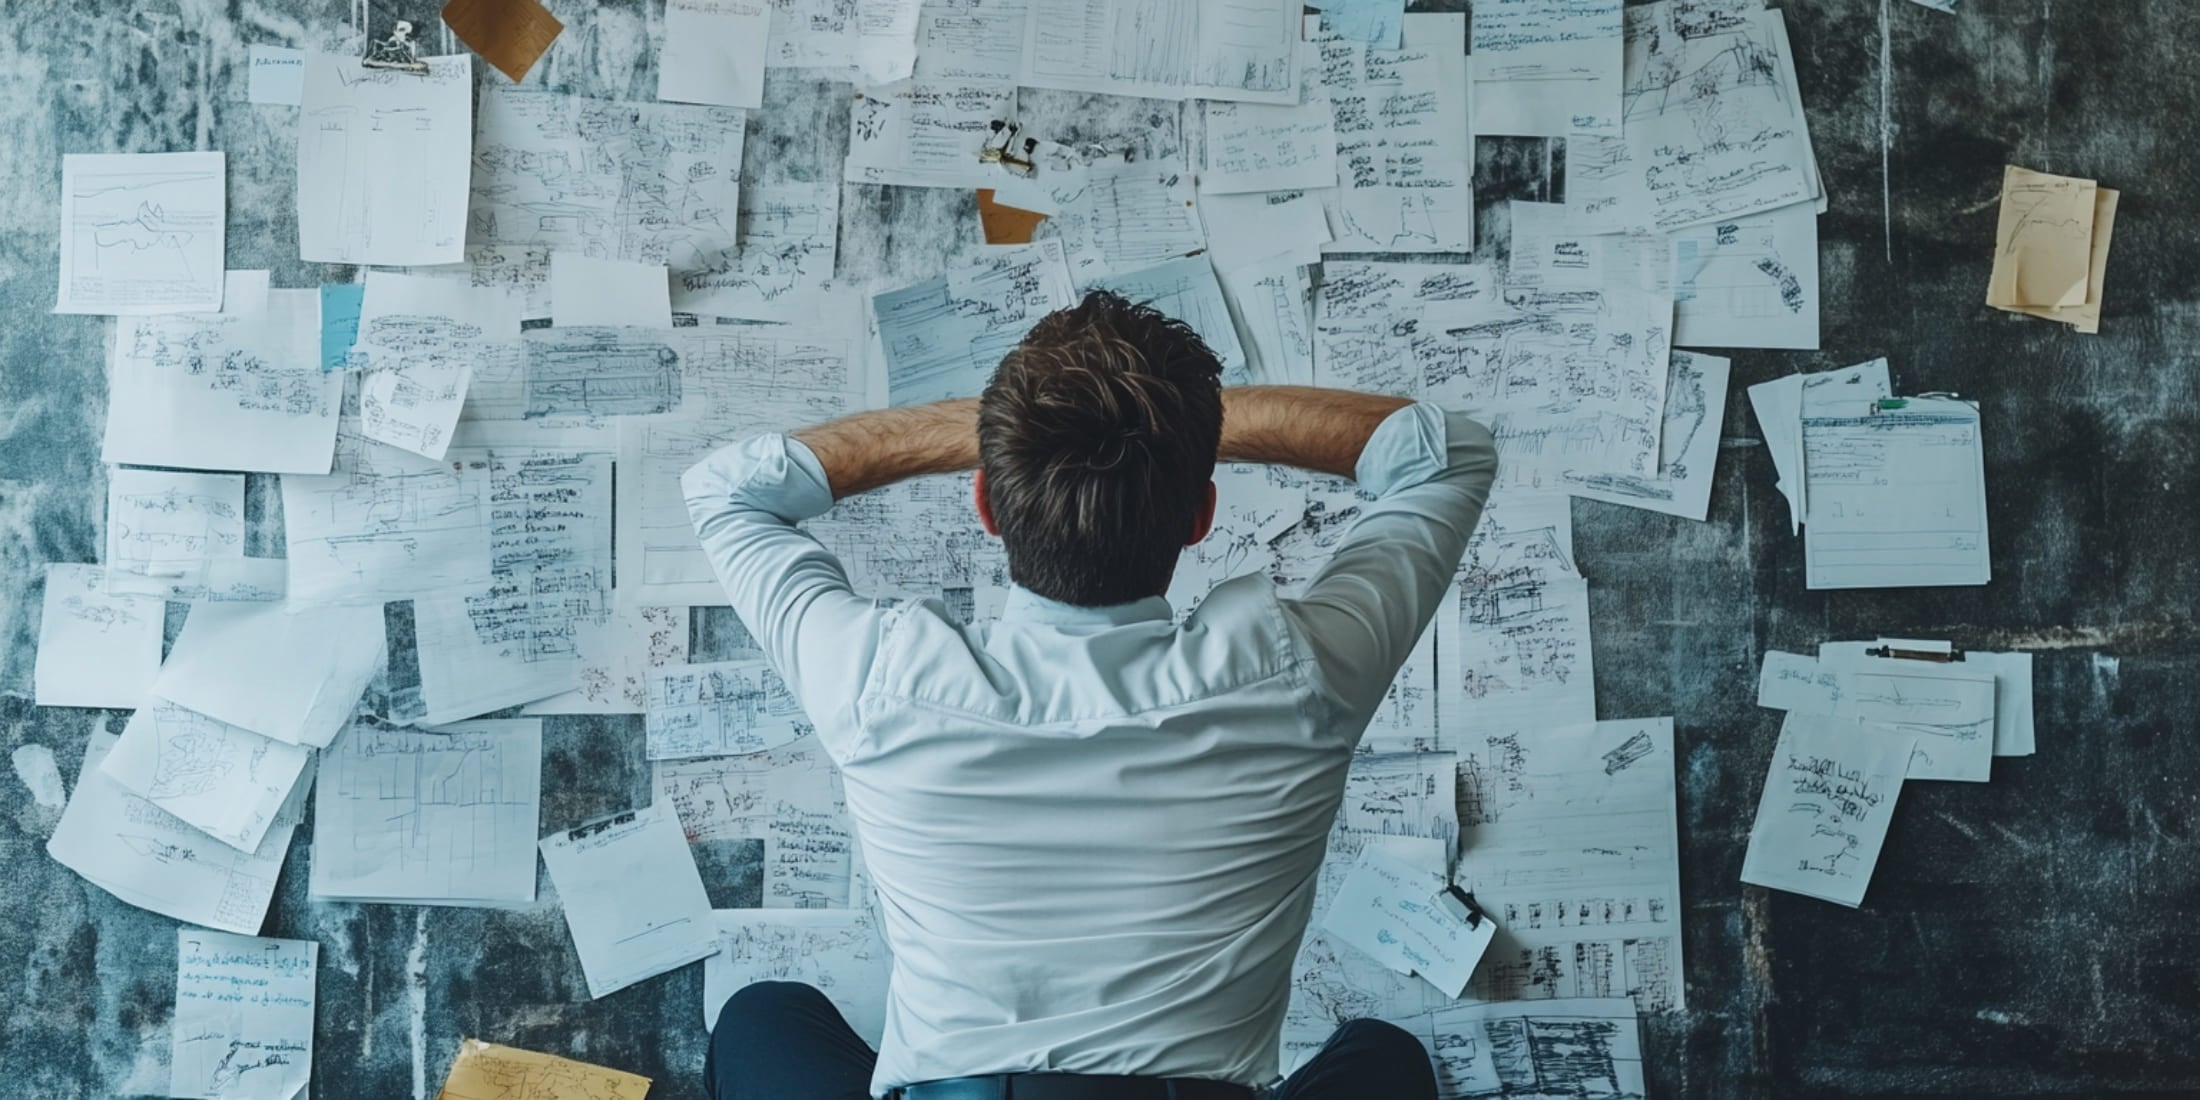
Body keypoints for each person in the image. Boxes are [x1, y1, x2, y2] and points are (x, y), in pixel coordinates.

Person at [685, 291, 1497, 1100]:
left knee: (764, 1016)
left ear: (986, 503)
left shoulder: (879, 676)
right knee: (1383, 1056)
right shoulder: (1297, 670)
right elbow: (1447, 454)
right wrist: (1178, 439)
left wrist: (1012, 439)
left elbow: (725, 489)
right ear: (1202, 515)